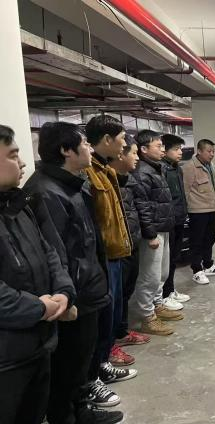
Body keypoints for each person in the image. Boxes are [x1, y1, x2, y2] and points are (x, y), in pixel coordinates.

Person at [23, 122, 123, 424]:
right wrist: (69, 297)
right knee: (68, 364)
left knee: (80, 361)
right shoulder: (46, 193)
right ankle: (68, 416)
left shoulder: (70, 185)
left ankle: (80, 409)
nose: (90, 149)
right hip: (76, 294)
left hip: (87, 287)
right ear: (67, 150)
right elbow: (56, 254)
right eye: (84, 144)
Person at [0, 124, 76, 424]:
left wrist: (63, 292)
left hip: (37, 345)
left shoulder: (18, 206)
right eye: (13, 155)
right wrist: (40, 308)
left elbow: (49, 252)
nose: (22, 163)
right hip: (6, 359)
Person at [84, 115, 136, 408]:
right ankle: (92, 377)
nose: (125, 144)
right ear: (106, 140)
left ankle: (102, 364)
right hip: (101, 257)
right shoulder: (88, 173)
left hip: (115, 253)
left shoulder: (105, 170)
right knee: (101, 319)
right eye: (121, 138)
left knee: (111, 315)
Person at [130, 130, 182, 337]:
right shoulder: (141, 172)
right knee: (149, 276)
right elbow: (142, 205)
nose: (162, 149)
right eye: (158, 146)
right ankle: (146, 317)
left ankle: (157, 305)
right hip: (153, 232)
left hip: (163, 227)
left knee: (161, 273)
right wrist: (150, 234)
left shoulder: (155, 168)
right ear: (143, 149)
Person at [109, 135, 151, 366]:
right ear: (119, 155)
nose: (137, 157)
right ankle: (111, 342)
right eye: (133, 153)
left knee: (125, 292)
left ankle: (122, 332)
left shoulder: (126, 180)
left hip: (130, 242)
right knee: (115, 297)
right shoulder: (106, 181)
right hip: (117, 248)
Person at [182, 139, 215, 285]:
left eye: (213, 151)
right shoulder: (190, 167)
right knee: (197, 241)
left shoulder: (211, 166)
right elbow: (185, 191)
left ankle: (208, 265)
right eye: (209, 151)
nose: (212, 154)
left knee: (209, 238)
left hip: (211, 208)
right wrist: (185, 211)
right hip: (197, 211)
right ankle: (197, 270)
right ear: (199, 151)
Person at [160, 134, 191, 308]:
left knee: (173, 258)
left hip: (178, 218)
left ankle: (170, 290)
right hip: (168, 221)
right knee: (166, 261)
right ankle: (164, 295)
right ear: (164, 150)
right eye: (176, 149)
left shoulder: (176, 168)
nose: (180, 152)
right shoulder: (162, 169)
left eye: (181, 149)